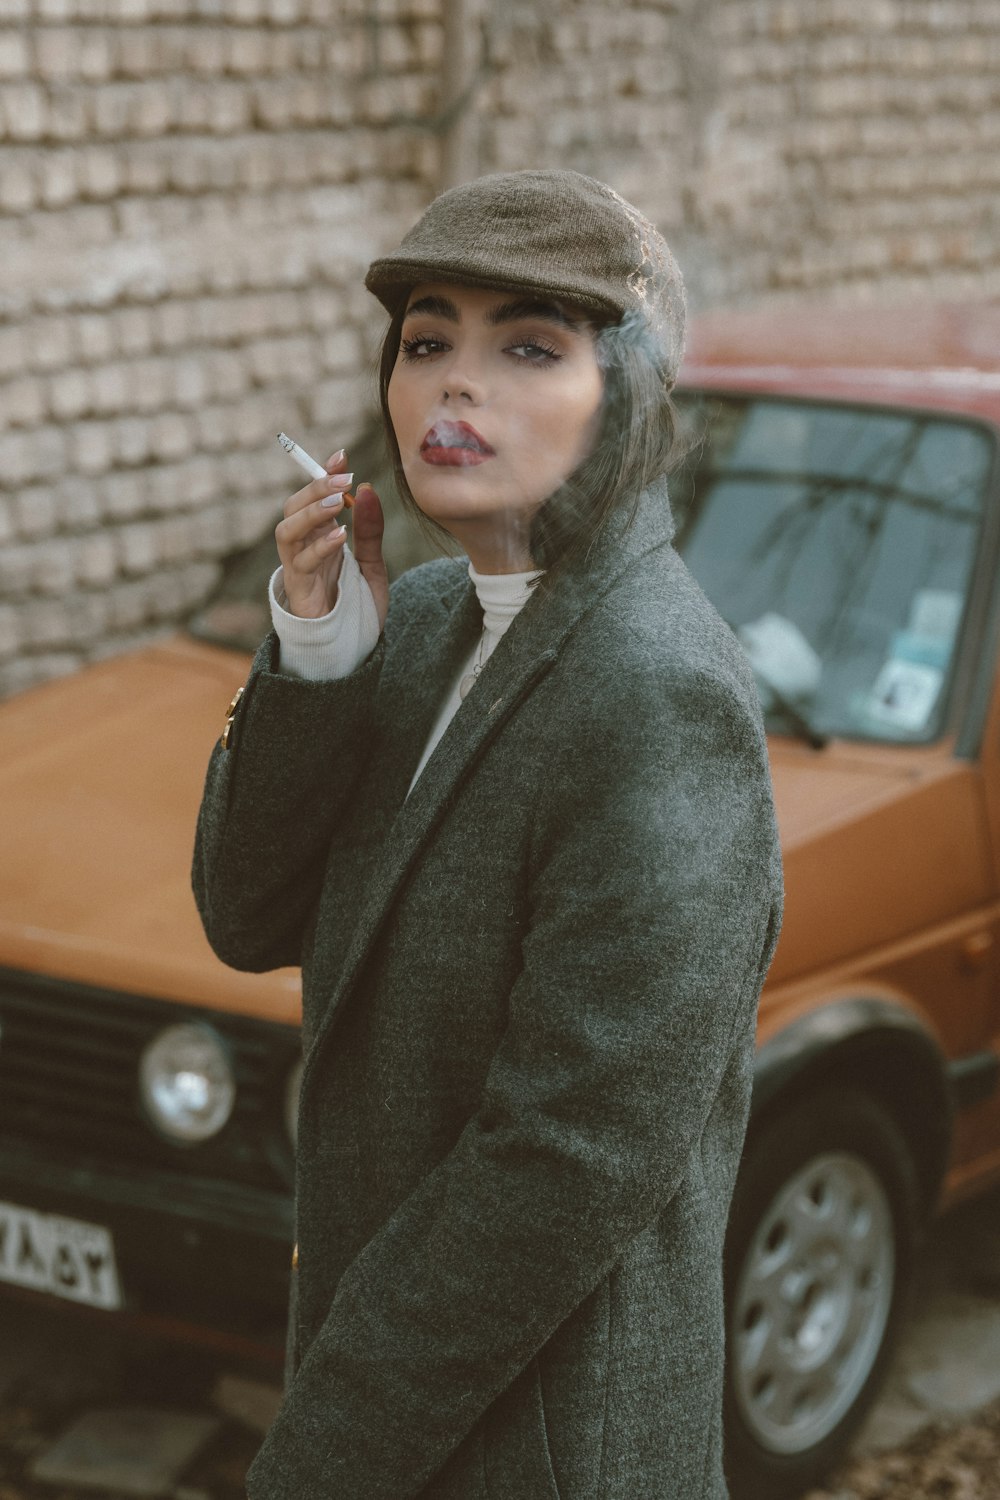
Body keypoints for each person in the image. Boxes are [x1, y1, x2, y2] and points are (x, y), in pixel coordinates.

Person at [193, 168, 783, 1500]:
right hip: (415, 1414)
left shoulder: (658, 691)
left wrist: (320, 1459)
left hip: (544, 1443)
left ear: (625, 394)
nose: (456, 385)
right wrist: (322, 646)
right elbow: (242, 914)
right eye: (426, 342)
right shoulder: (423, 626)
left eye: (527, 345)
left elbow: (562, 1163)